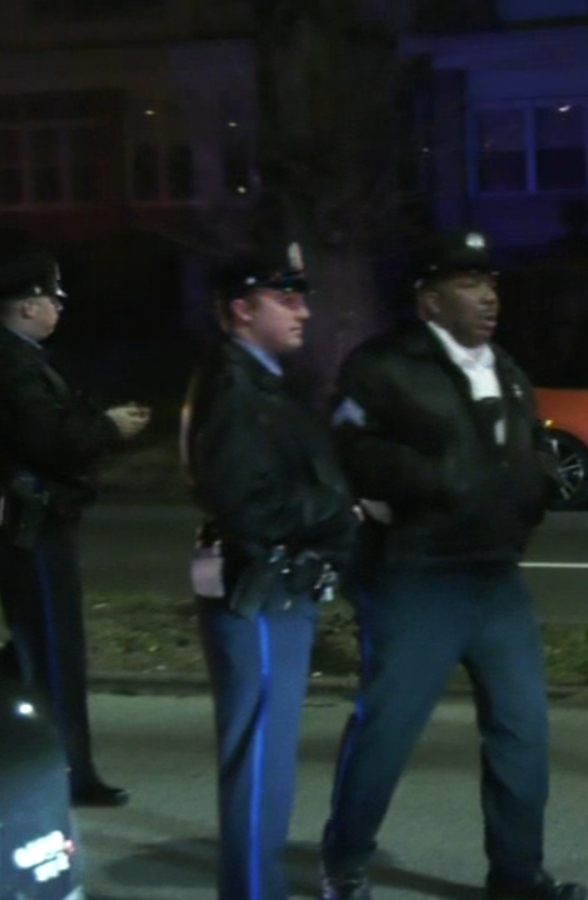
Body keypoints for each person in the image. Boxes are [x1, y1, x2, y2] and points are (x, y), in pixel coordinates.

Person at [318, 230, 582, 900]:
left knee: (522, 733)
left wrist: (538, 483)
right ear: (429, 301)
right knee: (388, 729)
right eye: (468, 284)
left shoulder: (508, 369)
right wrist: (435, 479)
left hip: (496, 578)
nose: (488, 297)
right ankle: (345, 861)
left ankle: (517, 876)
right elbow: (348, 449)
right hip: (417, 577)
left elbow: (525, 449)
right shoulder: (383, 366)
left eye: (490, 283)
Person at [179, 245, 360, 900]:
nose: (304, 311)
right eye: (287, 299)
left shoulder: (254, 377)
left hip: (276, 586)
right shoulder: (234, 386)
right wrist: (337, 506)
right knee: (258, 760)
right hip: (259, 589)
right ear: (241, 308)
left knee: (267, 755)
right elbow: (246, 502)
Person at [0, 251, 150, 808]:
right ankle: (65, 772)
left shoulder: (18, 358)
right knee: (54, 654)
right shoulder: (10, 364)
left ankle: (57, 762)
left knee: (43, 648)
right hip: (31, 529)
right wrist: (106, 428)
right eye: (53, 299)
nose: (58, 308)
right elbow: (50, 439)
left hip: (34, 525)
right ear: (28, 305)